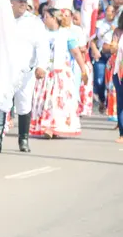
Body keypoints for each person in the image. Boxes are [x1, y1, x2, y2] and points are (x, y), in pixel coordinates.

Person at [0, 0, 49, 153]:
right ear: (11, 3)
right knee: (2, 103)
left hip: (26, 73)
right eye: (20, 2)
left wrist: (42, 66)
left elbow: (43, 46)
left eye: (25, 2)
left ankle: (23, 140)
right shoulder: (0, 20)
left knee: (23, 105)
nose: (23, 4)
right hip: (5, 70)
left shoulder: (34, 23)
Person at [31, 8, 89, 139]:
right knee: (45, 101)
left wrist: (83, 69)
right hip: (45, 73)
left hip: (61, 74)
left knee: (57, 101)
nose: (44, 20)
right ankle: (47, 126)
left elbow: (76, 53)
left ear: (54, 18)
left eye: (46, 17)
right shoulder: (42, 34)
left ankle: (54, 127)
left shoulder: (66, 34)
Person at [93, 5, 115, 109]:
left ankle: (112, 106)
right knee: (99, 80)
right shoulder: (99, 24)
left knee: (114, 83)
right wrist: (95, 50)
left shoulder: (118, 23)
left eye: (113, 11)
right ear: (105, 12)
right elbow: (92, 40)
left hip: (114, 56)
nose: (111, 13)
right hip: (101, 55)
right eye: (109, 11)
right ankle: (102, 99)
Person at [107, 13, 123, 143]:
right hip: (120, 71)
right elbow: (112, 49)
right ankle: (122, 133)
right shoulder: (118, 32)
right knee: (121, 102)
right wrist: (114, 46)